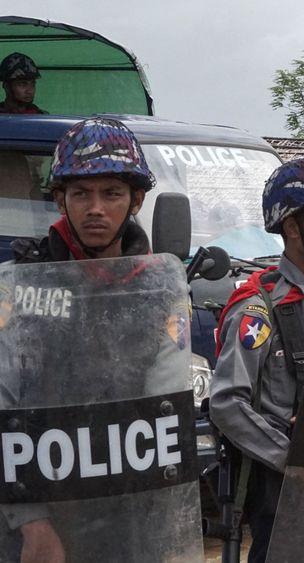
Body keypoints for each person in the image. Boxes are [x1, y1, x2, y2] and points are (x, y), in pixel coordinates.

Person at [2, 118, 199, 562]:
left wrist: (167, 521)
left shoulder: (159, 289)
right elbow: (4, 405)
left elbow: (166, 403)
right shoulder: (17, 287)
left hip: (132, 511)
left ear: (136, 200)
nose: (96, 208)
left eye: (111, 194)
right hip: (37, 516)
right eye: (81, 194)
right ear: (59, 199)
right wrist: (31, 522)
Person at [209, 159, 304, 563]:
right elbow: (225, 403)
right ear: (292, 228)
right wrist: (295, 464)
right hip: (281, 492)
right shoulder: (258, 308)